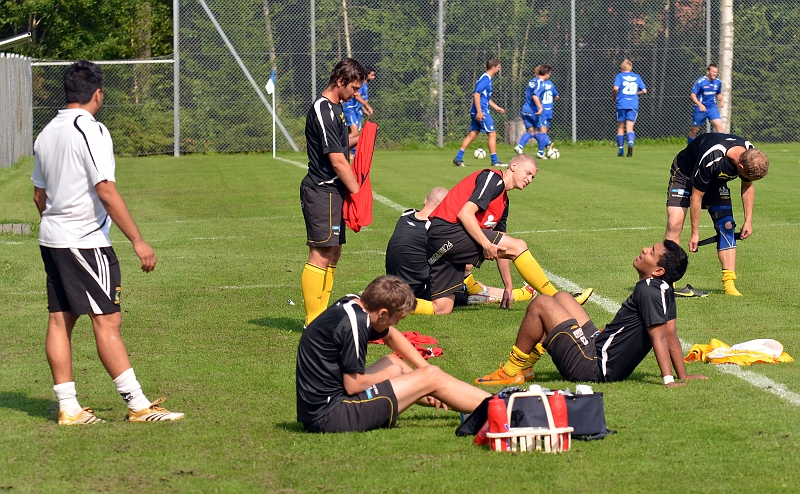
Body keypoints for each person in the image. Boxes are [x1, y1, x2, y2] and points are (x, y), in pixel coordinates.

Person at [31, 61, 183, 425]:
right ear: (98, 93)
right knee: (107, 321)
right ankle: (138, 405)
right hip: (85, 241)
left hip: (52, 239)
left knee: (59, 320)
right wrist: (138, 240)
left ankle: (69, 408)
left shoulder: (46, 132)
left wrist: (56, 225)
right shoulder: (92, 130)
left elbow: (39, 196)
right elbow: (106, 189)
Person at [476, 241, 709, 387]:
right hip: (596, 348)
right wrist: (684, 376)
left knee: (542, 304)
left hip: (592, 367)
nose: (644, 249)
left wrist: (669, 380)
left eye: (652, 252)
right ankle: (527, 366)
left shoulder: (647, 290)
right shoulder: (664, 289)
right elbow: (672, 335)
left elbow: (661, 337)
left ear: (658, 270)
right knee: (563, 298)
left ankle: (511, 371)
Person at [296, 275, 491, 433]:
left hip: (325, 405)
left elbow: (391, 336)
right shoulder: (355, 323)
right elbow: (353, 385)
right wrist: (392, 374)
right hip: (332, 415)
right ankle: (499, 407)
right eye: (396, 318)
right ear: (382, 313)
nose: (396, 324)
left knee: (403, 365)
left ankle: (474, 404)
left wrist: (424, 369)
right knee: (414, 373)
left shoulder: (354, 304)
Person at [420, 154, 592, 315]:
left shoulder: (503, 202)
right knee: (519, 245)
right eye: (528, 173)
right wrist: (486, 245)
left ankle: (396, 304)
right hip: (446, 232)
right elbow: (465, 214)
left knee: (442, 307)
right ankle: (561, 300)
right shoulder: (492, 179)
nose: (529, 179)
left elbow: (502, 244)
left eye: (533, 177)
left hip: (443, 244)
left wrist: (508, 287)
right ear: (513, 165)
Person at [385, 187, 536, 314]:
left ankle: (477, 289)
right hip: (420, 289)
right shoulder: (435, 230)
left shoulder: (406, 214)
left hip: (394, 282)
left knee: (450, 263)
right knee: (463, 282)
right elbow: (466, 267)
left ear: (425, 201)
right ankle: (520, 294)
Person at [300, 58, 366, 327]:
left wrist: (364, 137)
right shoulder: (323, 109)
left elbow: (342, 143)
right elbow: (338, 159)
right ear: (340, 81)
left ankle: (322, 314)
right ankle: (313, 320)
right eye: (353, 87)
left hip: (333, 191)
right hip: (321, 191)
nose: (355, 94)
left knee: (334, 252)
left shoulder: (337, 107)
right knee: (320, 253)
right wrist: (358, 192)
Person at [665, 133, 769, 296]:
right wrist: (695, 234)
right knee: (674, 223)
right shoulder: (714, 158)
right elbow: (696, 197)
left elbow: (747, 185)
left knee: (727, 225)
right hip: (685, 175)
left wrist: (748, 221)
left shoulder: (750, 153)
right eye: (748, 176)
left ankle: (729, 284)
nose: (749, 179)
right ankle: (668, 281)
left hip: (715, 182)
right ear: (740, 167)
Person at [453, 58, 506, 167]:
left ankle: (458, 158)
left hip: (477, 110)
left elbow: (484, 97)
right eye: (498, 67)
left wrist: (496, 107)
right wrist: (480, 111)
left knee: (472, 134)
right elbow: (476, 94)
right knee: (492, 134)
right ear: (493, 67)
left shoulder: (487, 78)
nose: (499, 69)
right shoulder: (485, 79)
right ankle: (495, 161)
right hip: (482, 111)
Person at [515, 65, 559, 160]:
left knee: (531, 131)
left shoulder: (531, 81)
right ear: (547, 74)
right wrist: (540, 107)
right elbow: (536, 96)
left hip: (525, 110)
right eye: (549, 74)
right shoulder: (543, 83)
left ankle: (520, 146)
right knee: (542, 132)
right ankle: (541, 151)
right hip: (536, 110)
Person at [612, 59, 647, 157]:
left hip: (622, 103)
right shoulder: (637, 77)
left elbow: (615, 88)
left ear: (622, 68)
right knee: (630, 127)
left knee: (620, 127)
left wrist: (614, 96)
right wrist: (636, 94)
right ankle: (630, 143)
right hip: (633, 104)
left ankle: (621, 150)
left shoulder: (619, 76)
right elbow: (644, 91)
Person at [343, 66, 375, 158]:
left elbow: (359, 101)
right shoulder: (361, 85)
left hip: (356, 110)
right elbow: (357, 97)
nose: (373, 77)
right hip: (350, 109)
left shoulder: (365, 85)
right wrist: (368, 107)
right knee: (354, 133)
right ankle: (338, 148)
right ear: (367, 75)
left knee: (353, 132)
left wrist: (364, 110)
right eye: (372, 75)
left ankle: (350, 152)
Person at [688, 64, 724, 144]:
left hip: (712, 108)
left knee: (719, 125)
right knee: (695, 129)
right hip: (700, 109)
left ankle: (722, 147)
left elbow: (718, 93)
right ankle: (690, 146)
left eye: (716, 72)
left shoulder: (718, 82)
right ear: (708, 71)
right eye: (713, 72)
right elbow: (693, 95)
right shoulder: (701, 82)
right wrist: (699, 104)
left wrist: (721, 100)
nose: (715, 74)